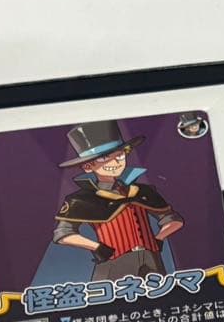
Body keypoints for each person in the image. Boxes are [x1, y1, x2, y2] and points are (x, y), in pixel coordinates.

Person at [52, 120, 183, 280]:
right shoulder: (81, 199)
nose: (115, 161)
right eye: (104, 158)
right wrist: (97, 247)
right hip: (114, 262)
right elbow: (63, 234)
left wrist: (158, 238)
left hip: (152, 259)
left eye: (120, 154)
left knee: (164, 295)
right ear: (87, 166)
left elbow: (173, 219)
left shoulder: (143, 191)